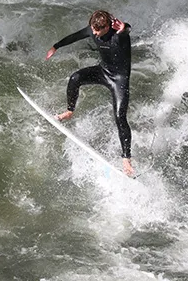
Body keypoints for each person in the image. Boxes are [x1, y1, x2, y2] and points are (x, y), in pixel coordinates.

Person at [45, 10, 134, 177]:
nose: (94, 33)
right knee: (75, 78)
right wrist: (55, 46)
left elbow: (126, 30)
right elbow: (74, 36)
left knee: (120, 117)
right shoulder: (93, 28)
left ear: (107, 26)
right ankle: (69, 111)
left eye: (98, 30)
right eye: (93, 29)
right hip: (103, 71)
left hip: (119, 80)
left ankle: (126, 158)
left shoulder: (119, 35)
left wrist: (125, 27)